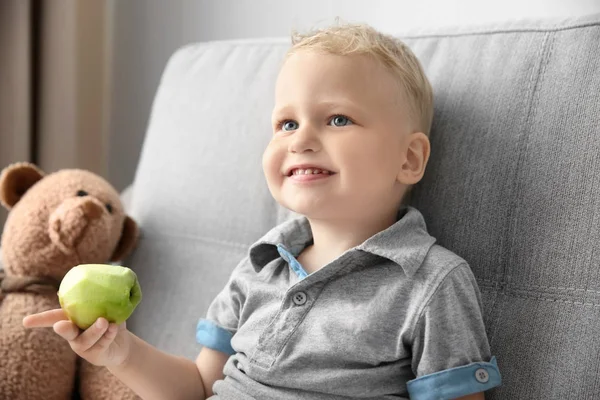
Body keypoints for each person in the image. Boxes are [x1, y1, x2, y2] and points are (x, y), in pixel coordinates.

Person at [23, 23, 502, 400]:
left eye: (337, 119)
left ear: (409, 158)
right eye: (287, 122)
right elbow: (197, 387)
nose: (301, 139)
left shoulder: (432, 282)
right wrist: (120, 352)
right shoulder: (260, 266)